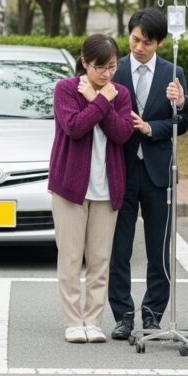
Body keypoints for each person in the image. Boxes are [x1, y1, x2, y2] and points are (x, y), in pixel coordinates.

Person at [108, 8, 188, 340]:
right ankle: (122, 315)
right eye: (134, 39)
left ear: (159, 42)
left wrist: (154, 124)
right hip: (122, 168)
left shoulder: (173, 72)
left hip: (160, 170)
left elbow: (184, 122)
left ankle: (153, 314)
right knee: (119, 248)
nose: (139, 47)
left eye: (146, 42)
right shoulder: (114, 70)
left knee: (160, 248)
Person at [49, 34, 134, 344]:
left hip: (107, 188)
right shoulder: (65, 89)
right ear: (84, 63)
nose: (107, 74)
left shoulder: (120, 93)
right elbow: (74, 127)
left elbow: (122, 132)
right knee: (70, 258)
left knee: (100, 259)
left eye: (112, 66)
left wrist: (103, 101)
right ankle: (73, 321)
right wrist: (100, 100)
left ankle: (93, 320)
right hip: (70, 186)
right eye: (100, 67)